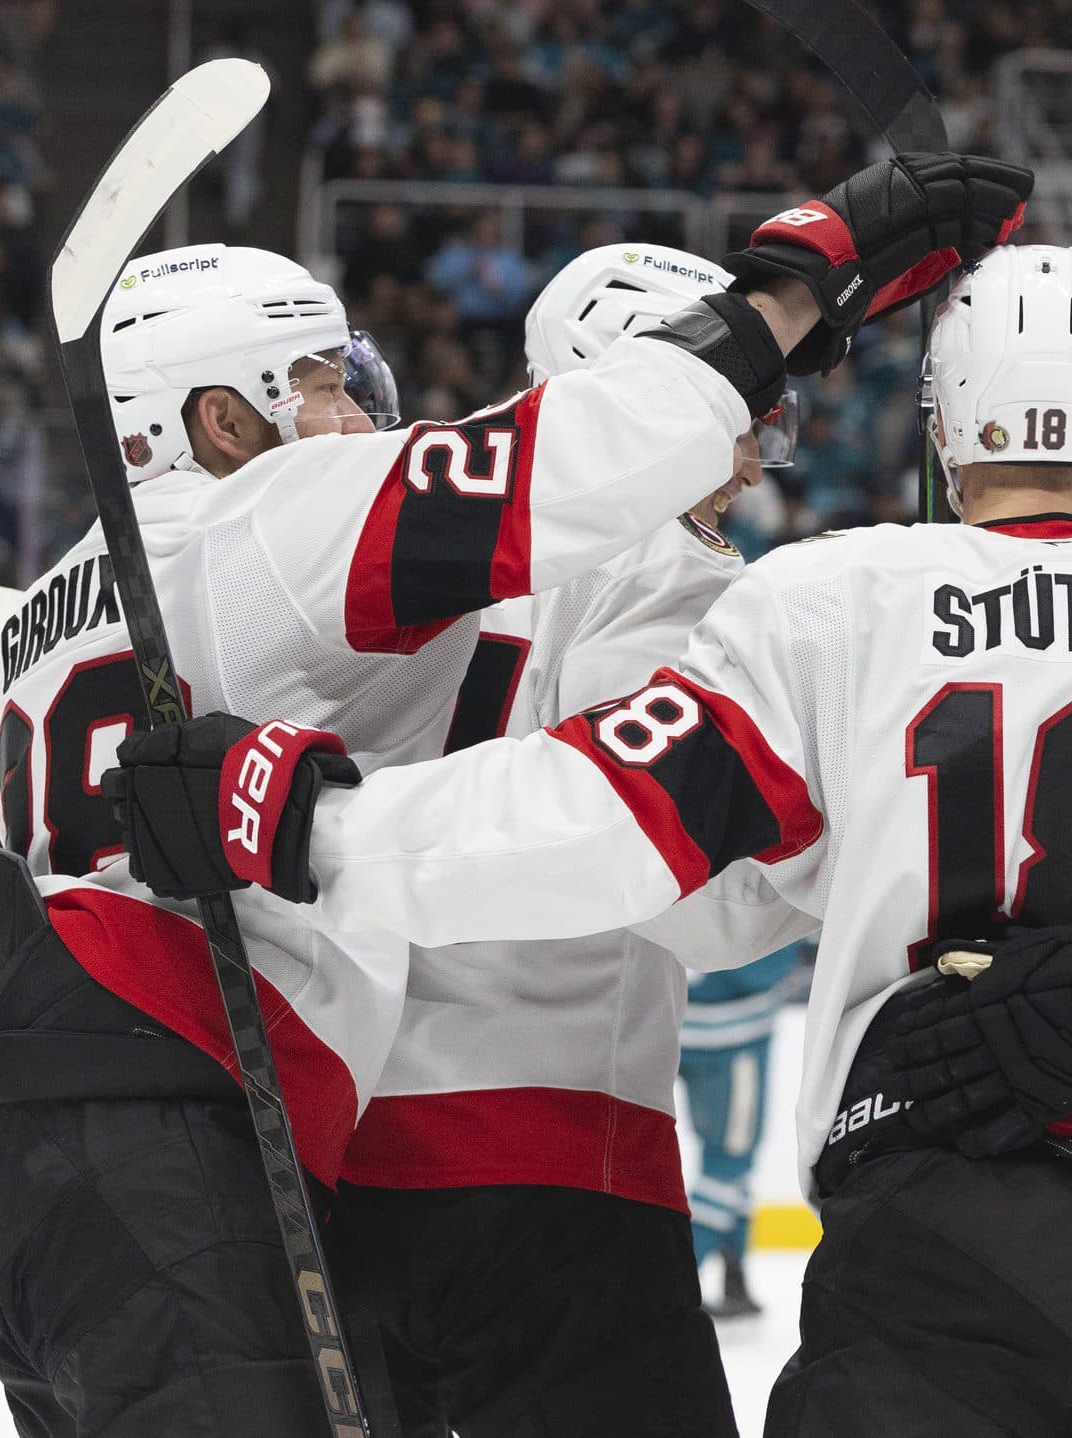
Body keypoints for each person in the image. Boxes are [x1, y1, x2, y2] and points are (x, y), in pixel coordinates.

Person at [112, 243, 1072, 1435]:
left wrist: (312, 827)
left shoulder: (822, 593)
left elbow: (608, 823)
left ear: (941, 426)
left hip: (933, 1192)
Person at [0, 149, 1028, 1438]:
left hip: (118, 1140)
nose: (359, 419)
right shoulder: (287, 530)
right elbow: (693, 872)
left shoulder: (45, 616)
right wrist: (799, 277)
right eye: (322, 381)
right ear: (218, 420)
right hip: (293, 1131)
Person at [326, 242, 797, 1437]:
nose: (749, 463)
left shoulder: (383, 545)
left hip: (331, 1165)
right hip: (551, 1164)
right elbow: (697, 900)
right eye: (734, 413)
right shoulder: (671, 582)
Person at [679, 940, 804, 1319]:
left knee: (735, 1161)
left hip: (681, 1028)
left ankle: (735, 1273)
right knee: (729, 1164)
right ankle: (678, 1283)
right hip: (732, 1044)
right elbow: (765, 956)